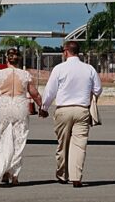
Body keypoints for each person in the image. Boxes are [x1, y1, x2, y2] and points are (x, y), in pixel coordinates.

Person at [39, 39, 102, 186]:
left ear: (66, 51)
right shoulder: (89, 69)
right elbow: (98, 89)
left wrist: (44, 108)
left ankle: (62, 174)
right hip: (82, 110)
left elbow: (50, 91)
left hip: (63, 110)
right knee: (79, 145)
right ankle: (76, 177)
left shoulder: (59, 69)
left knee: (63, 144)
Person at [0, 47, 35, 186]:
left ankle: (4, 172)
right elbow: (34, 93)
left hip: (4, 106)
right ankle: (15, 175)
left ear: (7, 59)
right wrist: (41, 106)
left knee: (2, 139)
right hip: (20, 105)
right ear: (19, 60)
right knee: (18, 140)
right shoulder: (25, 75)